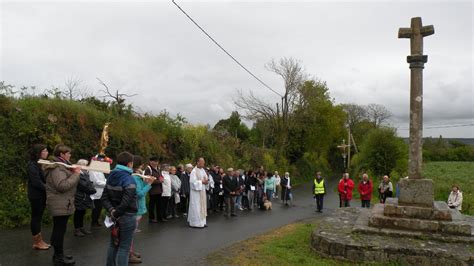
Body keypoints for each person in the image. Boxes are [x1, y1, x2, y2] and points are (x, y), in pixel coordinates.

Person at [44, 144, 80, 265]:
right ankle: (58, 258)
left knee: (60, 229)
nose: (70, 155)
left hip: (63, 202)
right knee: (59, 230)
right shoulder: (57, 168)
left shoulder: (62, 166)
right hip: (59, 202)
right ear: (62, 154)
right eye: (68, 153)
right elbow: (62, 186)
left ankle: (59, 254)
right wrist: (76, 174)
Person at [101, 151, 137, 266]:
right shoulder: (129, 178)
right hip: (127, 216)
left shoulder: (111, 175)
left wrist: (112, 210)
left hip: (113, 216)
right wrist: (116, 213)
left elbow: (104, 198)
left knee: (113, 244)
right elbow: (127, 201)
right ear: (130, 164)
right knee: (124, 248)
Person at [27, 144, 51, 250]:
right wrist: (49, 188)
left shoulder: (39, 163)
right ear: (38, 152)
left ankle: (40, 240)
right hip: (36, 195)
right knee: (36, 218)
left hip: (41, 194)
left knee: (38, 218)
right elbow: (36, 182)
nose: (47, 153)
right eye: (44, 151)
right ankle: (37, 242)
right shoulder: (32, 165)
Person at [130, 155, 153, 264]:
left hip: (138, 207)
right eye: (141, 165)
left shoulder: (137, 176)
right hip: (136, 207)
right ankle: (129, 253)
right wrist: (148, 184)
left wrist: (146, 180)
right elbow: (139, 194)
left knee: (132, 231)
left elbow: (140, 187)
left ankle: (131, 251)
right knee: (130, 232)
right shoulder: (134, 177)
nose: (142, 167)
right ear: (137, 165)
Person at [73, 159, 96, 237]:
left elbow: (90, 183)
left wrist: (91, 188)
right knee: (78, 213)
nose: (87, 166)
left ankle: (81, 227)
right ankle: (77, 229)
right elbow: (83, 185)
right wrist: (92, 190)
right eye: (86, 165)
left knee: (82, 212)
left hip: (85, 196)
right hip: (80, 196)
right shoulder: (78, 174)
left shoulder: (86, 173)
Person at [187, 158, 209, 228]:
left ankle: (203, 222)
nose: (203, 164)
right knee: (196, 207)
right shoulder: (194, 171)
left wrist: (206, 181)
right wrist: (202, 182)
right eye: (202, 163)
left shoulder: (203, 170)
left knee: (202, 207)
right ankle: (195, 223)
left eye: (204, 163)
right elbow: (192, 183)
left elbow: (206, 178)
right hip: (196, 194)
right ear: (198, 162)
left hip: (202, 191)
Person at [89, 155, 108, 228]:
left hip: (101, 192)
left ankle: (96, 221)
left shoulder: (99, 170)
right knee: (96, 208)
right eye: (100, 161)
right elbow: (95, 182)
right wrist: (106, 184)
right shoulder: (92, 170)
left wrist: (107, 182)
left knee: (99, 208)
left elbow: (103, 179)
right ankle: (93, 222)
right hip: (95, 192)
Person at [144, 156, 163, 223]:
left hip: (159, 190)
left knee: (159, 205)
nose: (156, 163)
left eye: (157, 161)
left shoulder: (158, 168)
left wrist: (161, 178)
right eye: (154, 161)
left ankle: (159, 217)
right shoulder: (148, 169)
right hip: (152, 190)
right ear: (150, 161)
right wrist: (159, 181)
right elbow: (148, 179)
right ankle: (151, 218)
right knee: (152, 205)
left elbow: (160, 176)